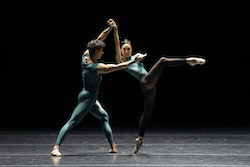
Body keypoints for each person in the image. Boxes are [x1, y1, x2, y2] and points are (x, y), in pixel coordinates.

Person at [108, 19, 206, 153]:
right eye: (124, 49)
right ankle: (189, 61)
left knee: (146, 113)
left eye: (128, 49)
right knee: (163, 60)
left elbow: (138, 56)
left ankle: (140, 139)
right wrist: (115, 30)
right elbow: (116, 45)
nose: (126, 51)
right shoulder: (121, 61)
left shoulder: (135, 56)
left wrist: (141, 56)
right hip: (144, 81)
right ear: (120, 51)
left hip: (149, 86)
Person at [51, 23, 146, 156]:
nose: (103, 52)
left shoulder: (86, 55)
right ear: (96, 52)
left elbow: (99, 39)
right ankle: (56, 147)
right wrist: (133, 61)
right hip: (87, 98)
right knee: (73, 121)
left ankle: (113, 146)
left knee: (104, 116)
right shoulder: (95, 67)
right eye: (101, 51)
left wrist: (109, 29)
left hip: (91, 97)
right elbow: (116, 67)